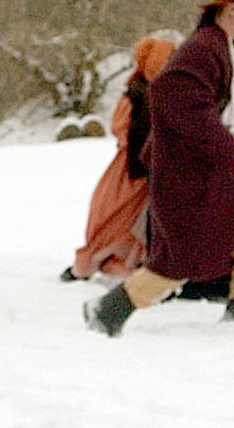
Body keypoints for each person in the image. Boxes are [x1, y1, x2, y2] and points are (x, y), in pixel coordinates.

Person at [84, 0, 234, 336]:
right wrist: (229, 152)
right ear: (230, 10)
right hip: (200, 172)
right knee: (184, 253)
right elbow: (170, 96)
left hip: (227, 168)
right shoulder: (202, 49)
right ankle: (110, 308)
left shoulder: (228, 47)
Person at [64, 35, 174, 282]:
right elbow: (122, 129)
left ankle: (129, 261)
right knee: (113, 214)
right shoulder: (136, 94)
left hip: (152, 169)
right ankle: (96, 260)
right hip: (131, 167)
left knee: (139, 219)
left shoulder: (166, 93)